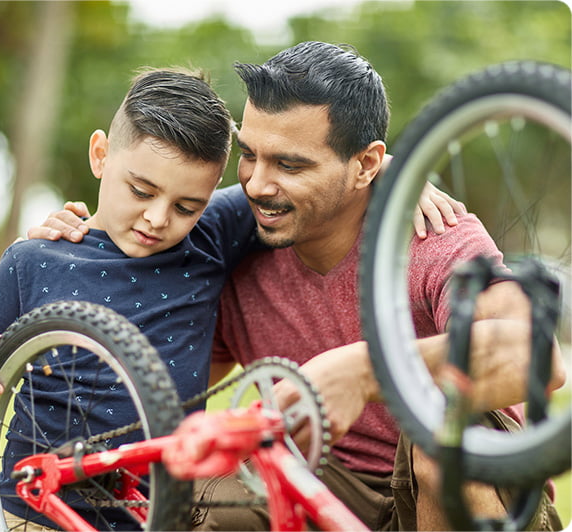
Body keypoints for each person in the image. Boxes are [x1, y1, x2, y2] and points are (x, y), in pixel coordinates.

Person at [42, 43, 566, 530]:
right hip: (325, 486)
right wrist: (65, 239)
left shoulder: (431, 236)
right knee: (183, 492)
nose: (257, 184)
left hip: (470, 496)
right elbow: (186, 390)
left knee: (441, 435)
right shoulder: (235, 246)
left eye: (290, 165)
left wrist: (365, 371)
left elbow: (539, 358)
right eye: (250, 154)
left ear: (366, 165)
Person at [0, 67, 260, 529]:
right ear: (101, 154)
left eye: (187, 206)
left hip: (158, 514)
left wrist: (395, 175)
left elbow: (293, 188)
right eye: (141, 191)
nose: (157, 217)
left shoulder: (210, 237)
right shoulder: (33, 260)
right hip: (35, 511)